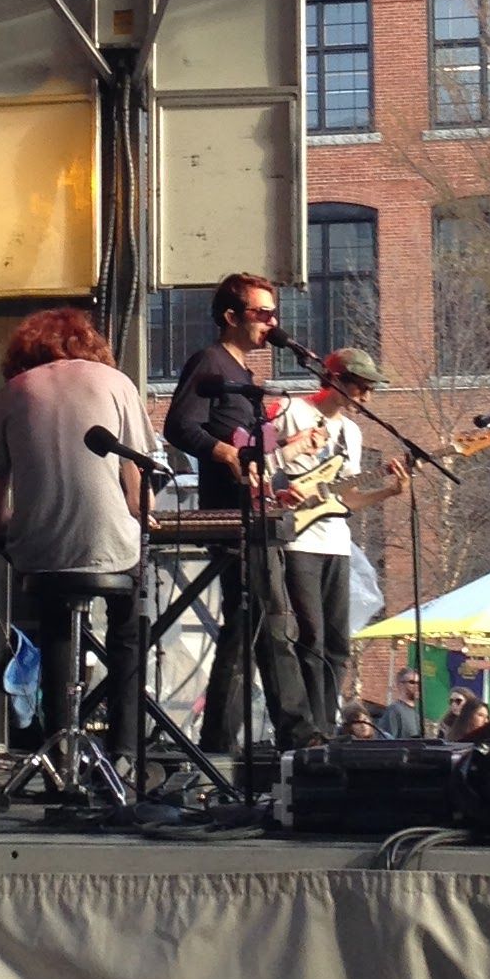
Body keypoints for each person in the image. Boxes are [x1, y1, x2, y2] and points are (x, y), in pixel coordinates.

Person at [0, 308, 154, 784]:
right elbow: (138, 498)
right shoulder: (117, 384)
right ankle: (125, 753)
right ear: (88, 343)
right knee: (128, 631)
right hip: (114, 546)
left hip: (42, 553)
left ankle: (58, 759)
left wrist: (28, 517)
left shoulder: (10, 394)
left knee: (55, 627)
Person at [163, 273, 308, 766]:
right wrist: (223, 451)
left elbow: (250, 451)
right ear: (231, 316)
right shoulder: (210, 361)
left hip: (252, 510)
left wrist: (272, 480)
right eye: (262, 313)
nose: (272, 323)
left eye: (274, 314)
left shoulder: (244, 376)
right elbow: (179, 425)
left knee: (246, 624)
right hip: (229, 517)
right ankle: (297, 731)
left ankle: (219, 741)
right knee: (270, 619)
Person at [271, 347, 406, 740]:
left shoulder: (352, 432)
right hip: (297, 540)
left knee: (337, 642)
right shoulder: (290, 411)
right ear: (335, 380)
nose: (366, 398)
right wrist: (281, 489)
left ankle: (326, 726)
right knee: (309, 636)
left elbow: (346, 498)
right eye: (361, 388)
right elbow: (261, 463)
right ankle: (307, 728)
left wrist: (389, 492)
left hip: (335, 541)